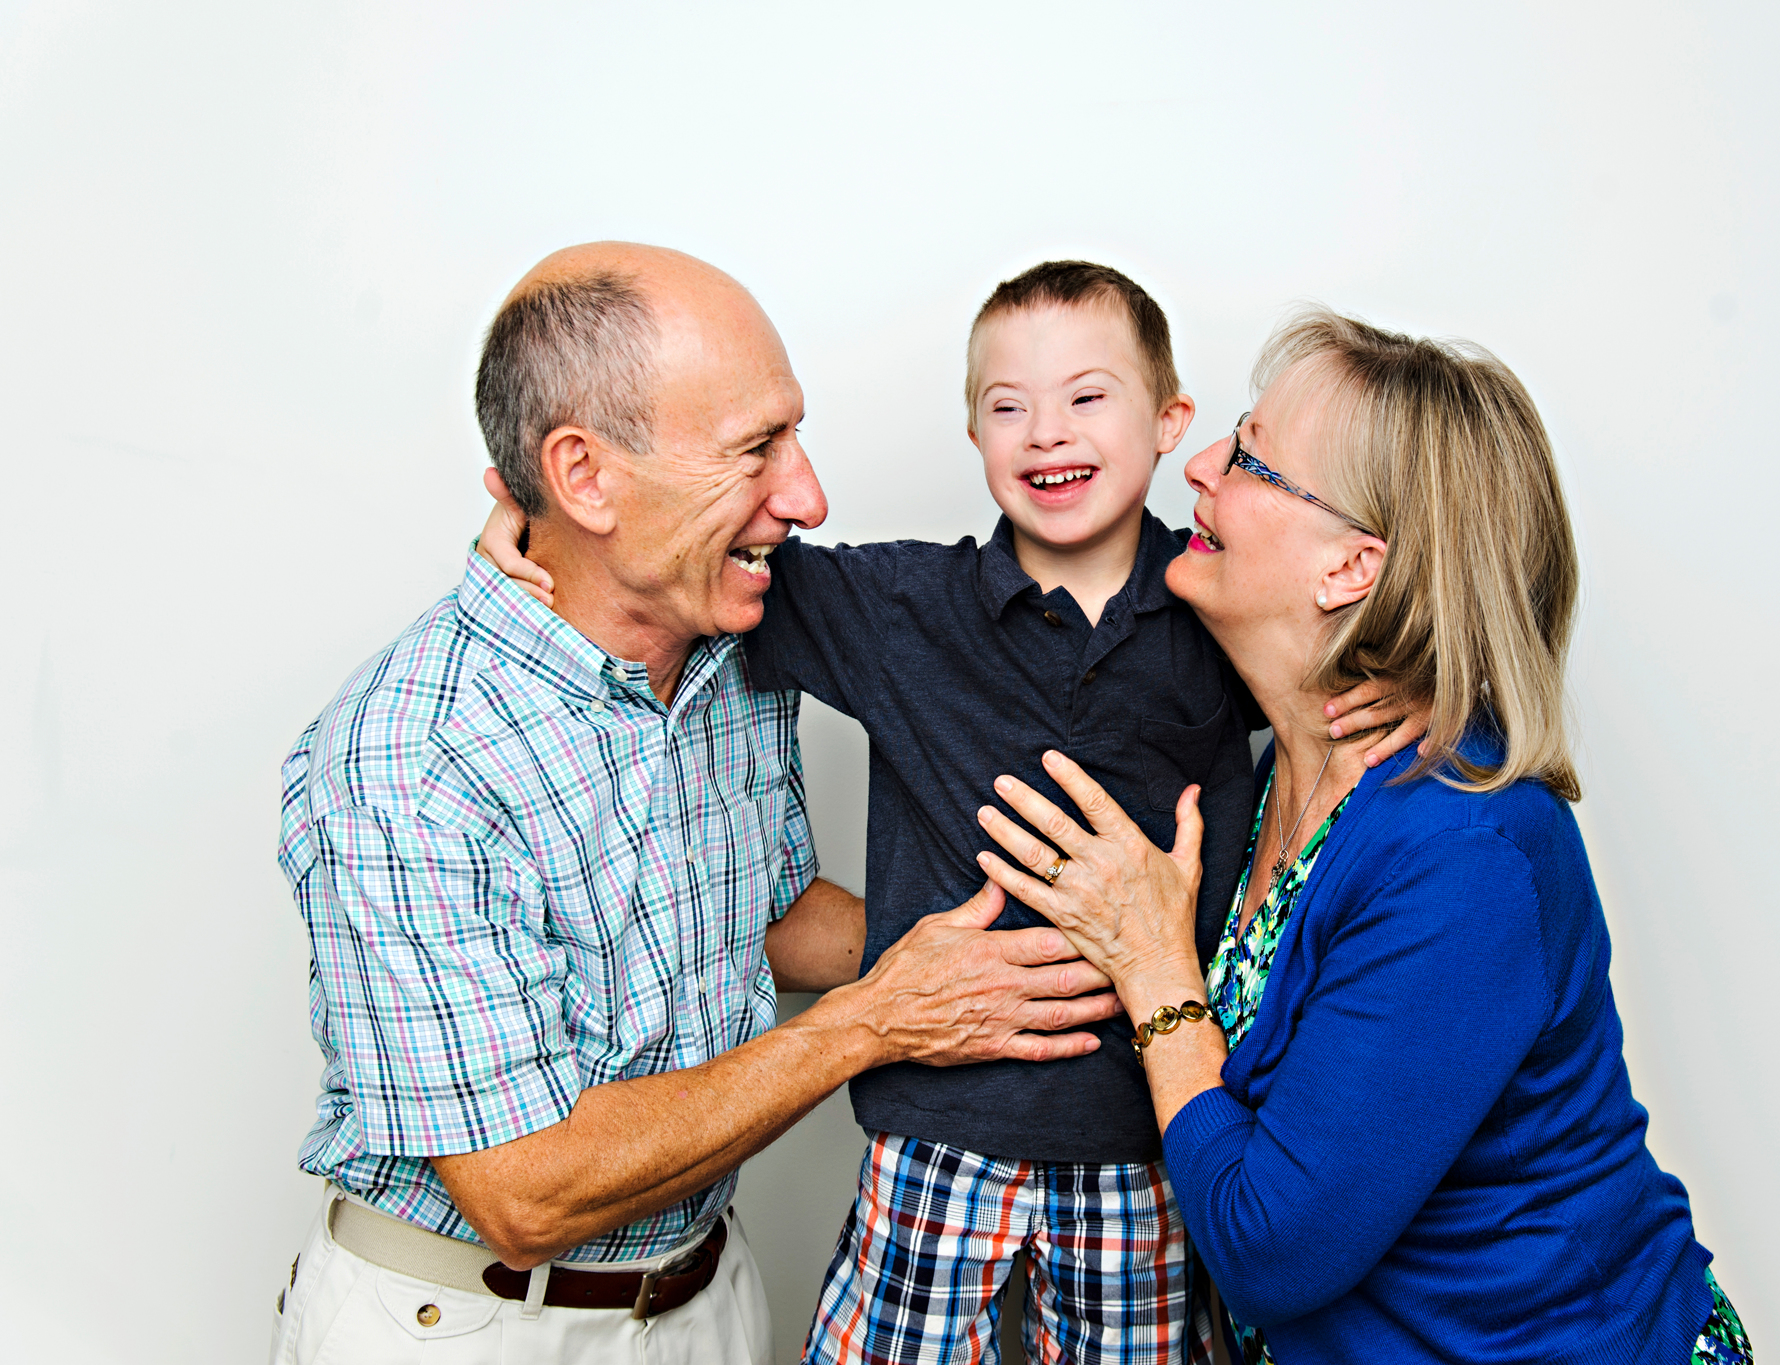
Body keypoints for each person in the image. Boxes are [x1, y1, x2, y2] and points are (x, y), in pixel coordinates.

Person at [476, 261, 1422, 1365]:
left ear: (1170, 421)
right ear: (970, 431)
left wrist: (1410, 682)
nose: (1044, 433)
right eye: (1005, 406)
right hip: (937, 1134)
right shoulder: (893, 607)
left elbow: (1339, 642)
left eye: (1086, 396)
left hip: (1147, 1140)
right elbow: (660, 554)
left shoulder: (1216, 602)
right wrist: (525, 539)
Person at [271, 243, 1133, 1365]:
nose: (807, 496)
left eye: (794, 435)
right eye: (753, 451)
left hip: (706, 1301)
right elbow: (523, 1189)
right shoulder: (404, 759)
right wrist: (878, 1019)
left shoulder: (720, 644)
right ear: (583, 478)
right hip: (468, 1328)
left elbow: (757, 909)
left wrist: (1013, 963)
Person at [970, 310, 1754, 1363]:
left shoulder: (1461, 853)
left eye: (1247, 457)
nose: (1197, 465)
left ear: (1349, 569)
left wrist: (1155, 966)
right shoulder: (1278, 772)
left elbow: (1270, 1249)